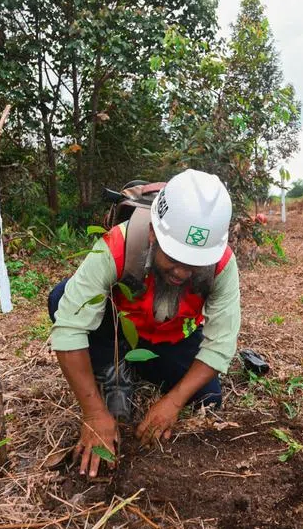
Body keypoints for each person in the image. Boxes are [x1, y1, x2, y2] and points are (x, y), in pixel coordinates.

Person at [48, 169, 241, 477]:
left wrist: (173, 403)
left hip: (171, 336)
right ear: (153, 235)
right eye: (174, 258)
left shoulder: (221, 265)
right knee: (61, 296)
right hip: (116, 328)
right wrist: (94, 413)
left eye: (194, 263)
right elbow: (70, 326)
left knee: (208, 399)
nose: (182, 272)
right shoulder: (118, 245)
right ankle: (111, 366)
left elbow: (221, 343)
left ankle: (137, 366)